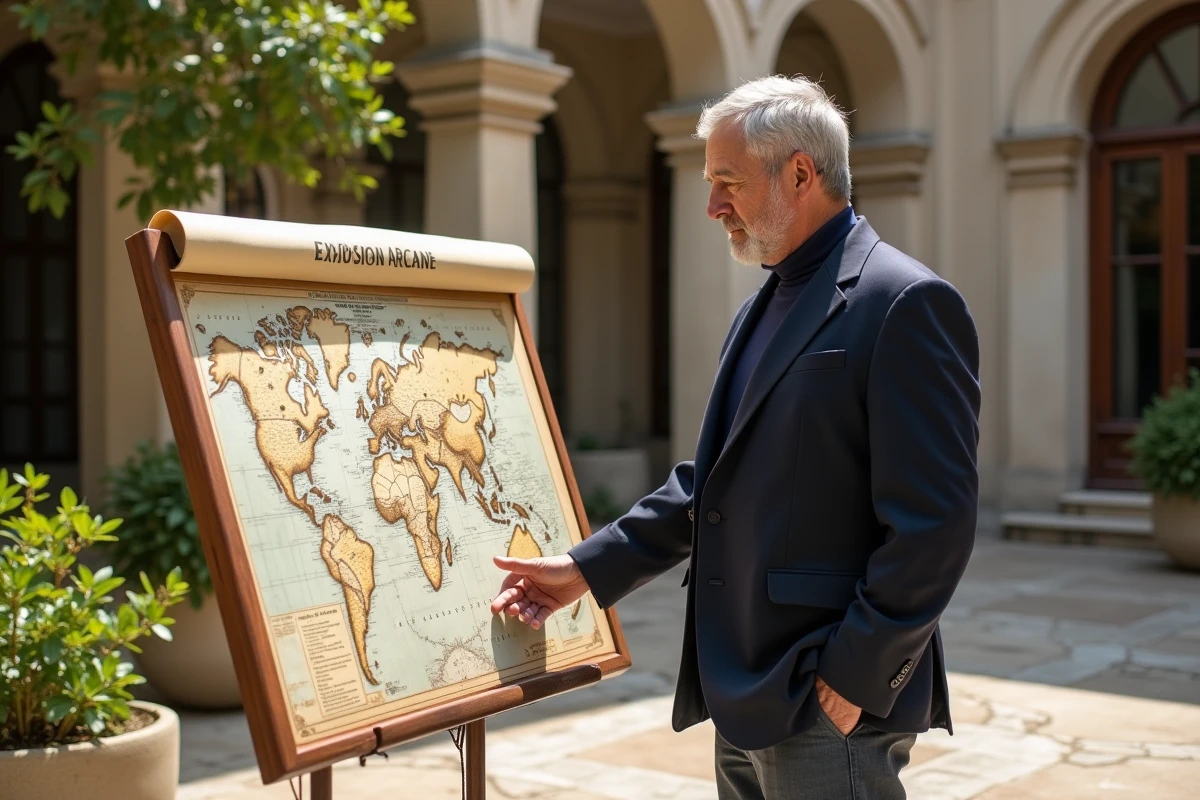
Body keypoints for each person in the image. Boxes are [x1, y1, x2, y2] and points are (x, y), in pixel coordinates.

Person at [490, 75, 981, 800]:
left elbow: (935, 525)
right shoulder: (762, 305)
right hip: (744, 691)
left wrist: (856, 672)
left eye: (729, 182)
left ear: (801, 174)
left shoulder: (906, 303)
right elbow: (711, 482)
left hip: (827, 697)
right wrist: (587, 572)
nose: (713, 205)